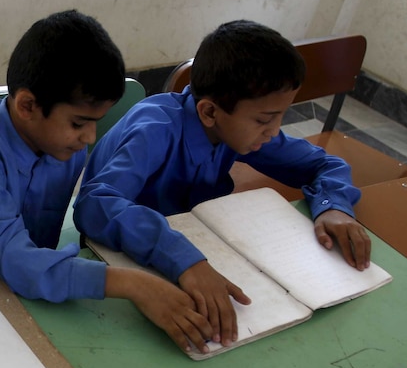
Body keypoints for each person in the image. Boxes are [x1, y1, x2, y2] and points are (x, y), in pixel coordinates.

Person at [0, 10, 214, 355]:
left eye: (96, 122)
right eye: (78, 123)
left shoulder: (61, 146)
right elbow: (14, 260)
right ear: (28, 105)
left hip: (23, 289)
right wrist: (133, 284)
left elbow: (33, 253)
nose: (89, 137)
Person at [74, 19, 372, 349]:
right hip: (119, 255)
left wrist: (334, 207)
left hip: (198, 244)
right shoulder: (154, 129)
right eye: (264, 119)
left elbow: (324, 164)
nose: (274, 131)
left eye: (280, 116)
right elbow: (94, 205)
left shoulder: (237, 128)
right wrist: (183, 258)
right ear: (209, 112)